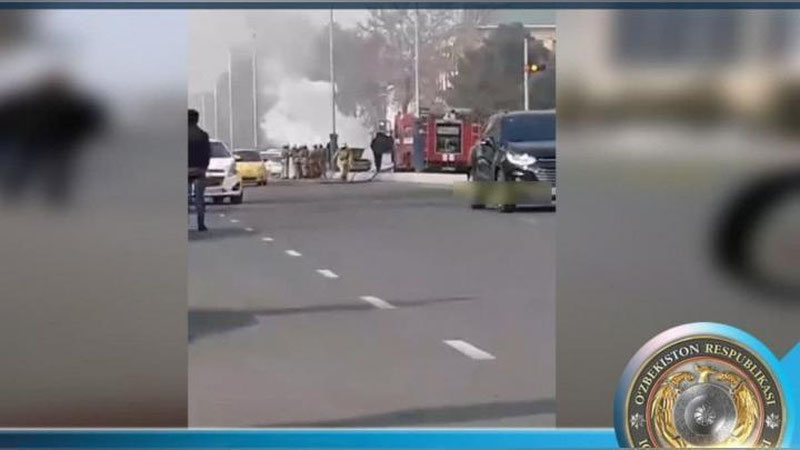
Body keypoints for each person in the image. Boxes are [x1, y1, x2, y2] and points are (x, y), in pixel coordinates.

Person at [188, 109, 211, 231]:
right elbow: (207, 153)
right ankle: (201, 224)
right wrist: (204, 167)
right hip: (199, 170)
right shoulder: (203, 135)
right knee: (200, 198)